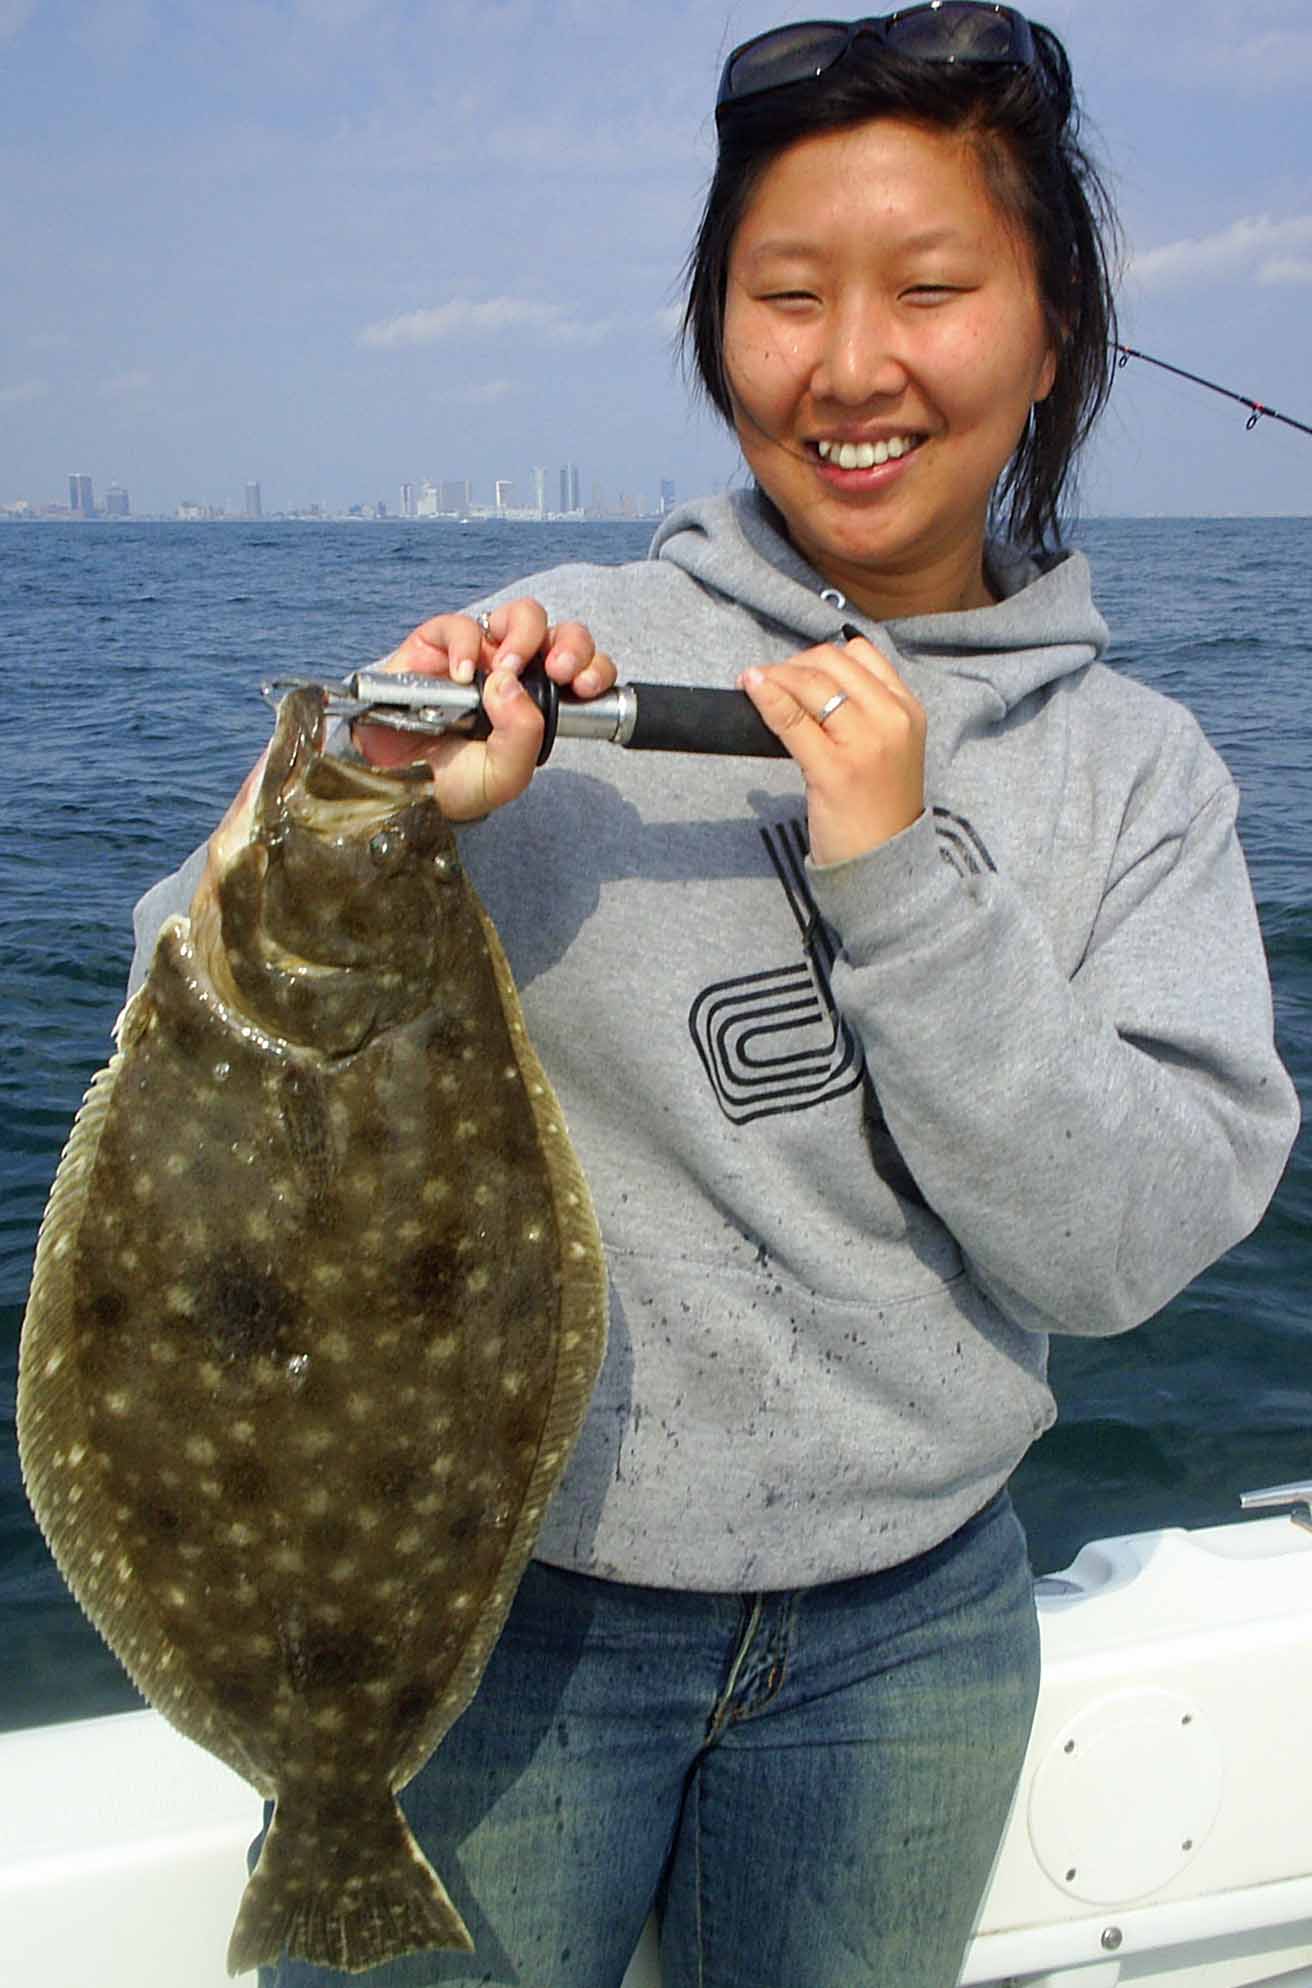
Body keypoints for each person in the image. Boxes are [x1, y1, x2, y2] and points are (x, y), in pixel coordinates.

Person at [130, 8, 1299, 1984]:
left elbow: (1117, 1249)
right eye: (781, 296)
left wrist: (901, 885)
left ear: (1049, 331)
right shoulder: (553, 661)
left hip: (909, 1633)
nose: (848, 364)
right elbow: (187, 1037)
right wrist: (371, 806)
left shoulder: (1137, 776)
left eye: (929, 289)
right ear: (713, 328)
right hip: (494, 1613)